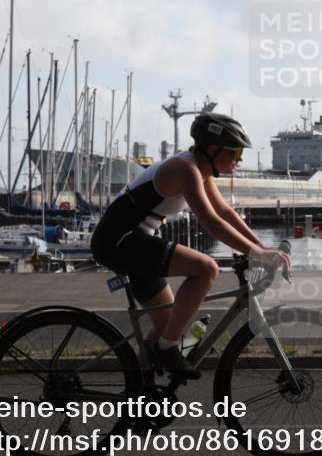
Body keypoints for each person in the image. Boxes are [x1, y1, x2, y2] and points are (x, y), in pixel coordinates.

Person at [90, 112, 291, 379]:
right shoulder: (186, 169)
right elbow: (213, 224)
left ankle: (141, 398)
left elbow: (225, 213)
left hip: (134, 240)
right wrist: (258, 253)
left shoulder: (200, 169)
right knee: (206, 269)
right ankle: (167, 350)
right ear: (212, 149)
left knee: (168, 326)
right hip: (120, 240)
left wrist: (262, 248)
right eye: (236, 152)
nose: (239, 160)